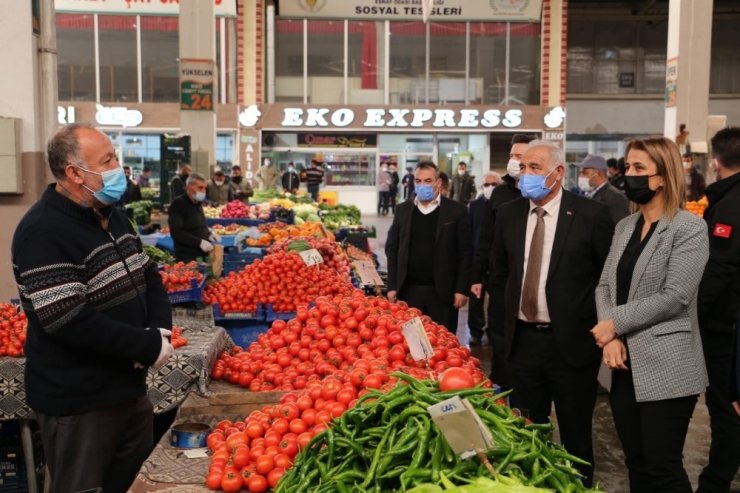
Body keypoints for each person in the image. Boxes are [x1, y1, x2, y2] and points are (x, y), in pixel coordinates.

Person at [11, 123, 173, 493]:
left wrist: (158, 329)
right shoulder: (42, 231)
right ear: (74, 173)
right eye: (108, 160)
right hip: (79, 401)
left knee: (133, 484)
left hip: (128, 391)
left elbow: (148, 274)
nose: (119, 166)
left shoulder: (114, 216)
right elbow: (68, 319)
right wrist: (144, 346)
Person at [491, 140, 614, 485]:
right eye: (523, 167)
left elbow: (607, 276)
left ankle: (578, 485)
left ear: (558, 173)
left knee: (575, 433)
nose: (524, 175)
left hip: (571, 344)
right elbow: (499, 275)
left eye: (534, 168)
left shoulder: (590, 215)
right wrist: (502, 334)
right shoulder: (509, 214)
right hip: (523, 342)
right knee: (529, 432)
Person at [593, 136, 709, 492]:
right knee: (637, 465)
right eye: (628, 167)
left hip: (668, 366)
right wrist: (610, 337)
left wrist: (614, 323)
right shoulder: (625, 227)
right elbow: (603, 287)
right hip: (621, 364)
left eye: (639, 168)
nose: (630, 175)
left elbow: (675, 296)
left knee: (663, 467)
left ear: (663, 176)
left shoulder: (689, 228)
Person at [471, 133, 535, 389]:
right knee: (499, 338)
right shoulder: (500, 193)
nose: (513, 161)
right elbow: (485, 237)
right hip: (501, 281)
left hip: (531, 282)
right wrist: (477, 276)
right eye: (511, 156)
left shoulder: (540, 192)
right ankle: (501, 390)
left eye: (520, 156)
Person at [695, 127, 740, 492]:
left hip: (727, 329)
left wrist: (690, 312)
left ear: (714, 161)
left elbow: (719, 268)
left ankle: (716, 480)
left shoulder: (729, 203)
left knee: (725, 409)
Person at [386, 161, 472, 334]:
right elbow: (393, 250)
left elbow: (466, 252)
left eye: (428, 181)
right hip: (409, 291)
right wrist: (392, 286)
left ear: (438, 183)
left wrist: (462, 289)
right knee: (411, 345)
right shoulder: (403, 210)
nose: (422, 185)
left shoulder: (457, 211)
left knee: (443, 344)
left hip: (443, 293)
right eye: (418, 181)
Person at [467, 172, 501, 346]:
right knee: (475, 300)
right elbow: (470, 233)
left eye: (494, 184)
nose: (490, 188)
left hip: (497, 263)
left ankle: (494, 332)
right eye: (486, 185)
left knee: (497, 301)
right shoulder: (474, 206)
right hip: (477, 260)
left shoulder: (505, 205)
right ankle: (475, 331)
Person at [169, 173, 220, 262]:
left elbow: (201, 225)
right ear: (189, 187)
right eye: (200, 187)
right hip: (187, 257)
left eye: (205, 188)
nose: (204, 191)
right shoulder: (178, 204)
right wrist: (199, 242)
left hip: (202, 256)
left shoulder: (198, 203)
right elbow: (176, 232)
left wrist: (209, 235)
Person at [575, 154, 630, 224]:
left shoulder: (615, 197)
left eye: (584, 173)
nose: (580, 176)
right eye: (580, 173)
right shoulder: (589, 195)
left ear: (598, 174)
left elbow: (622, 229)